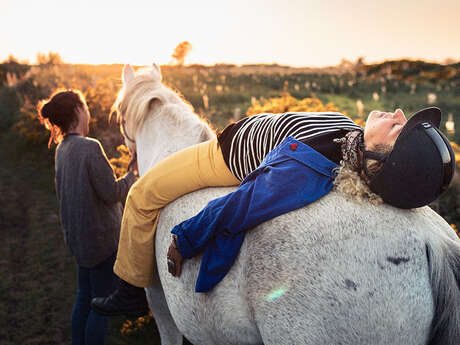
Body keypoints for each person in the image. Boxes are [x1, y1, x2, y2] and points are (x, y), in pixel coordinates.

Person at [91, 107, 455, 313]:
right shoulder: (350, 137)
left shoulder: (305, 170)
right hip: (237, 136)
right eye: (401, 120)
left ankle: (130, 291)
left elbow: (243, 204)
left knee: (141, 194)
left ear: (377, 160)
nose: (397, 112)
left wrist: (185, 238)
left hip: (222, 157)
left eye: (397, 128)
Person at [37, 90, 139, 345]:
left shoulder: (62, 148)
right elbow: (111, 192)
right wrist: (132, 175)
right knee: (100, 303)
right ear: (78, 112)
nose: (88, 112)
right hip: (102, 242)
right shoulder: (89, 147)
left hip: (78, 240)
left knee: (84, 295)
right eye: (85, 107)